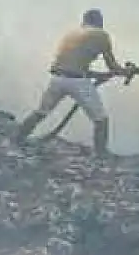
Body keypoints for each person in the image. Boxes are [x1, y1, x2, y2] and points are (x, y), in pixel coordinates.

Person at [13, 8, 131, 156]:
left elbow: (72, 65)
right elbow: (113, 67)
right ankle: (101, 153)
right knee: (101, 120)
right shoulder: (101, 35)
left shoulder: (71, 34)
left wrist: (100, 75)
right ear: (100, 22)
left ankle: (18, 139)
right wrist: (127, 71)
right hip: (77, 82)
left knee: (41, 112)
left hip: (57, 79)